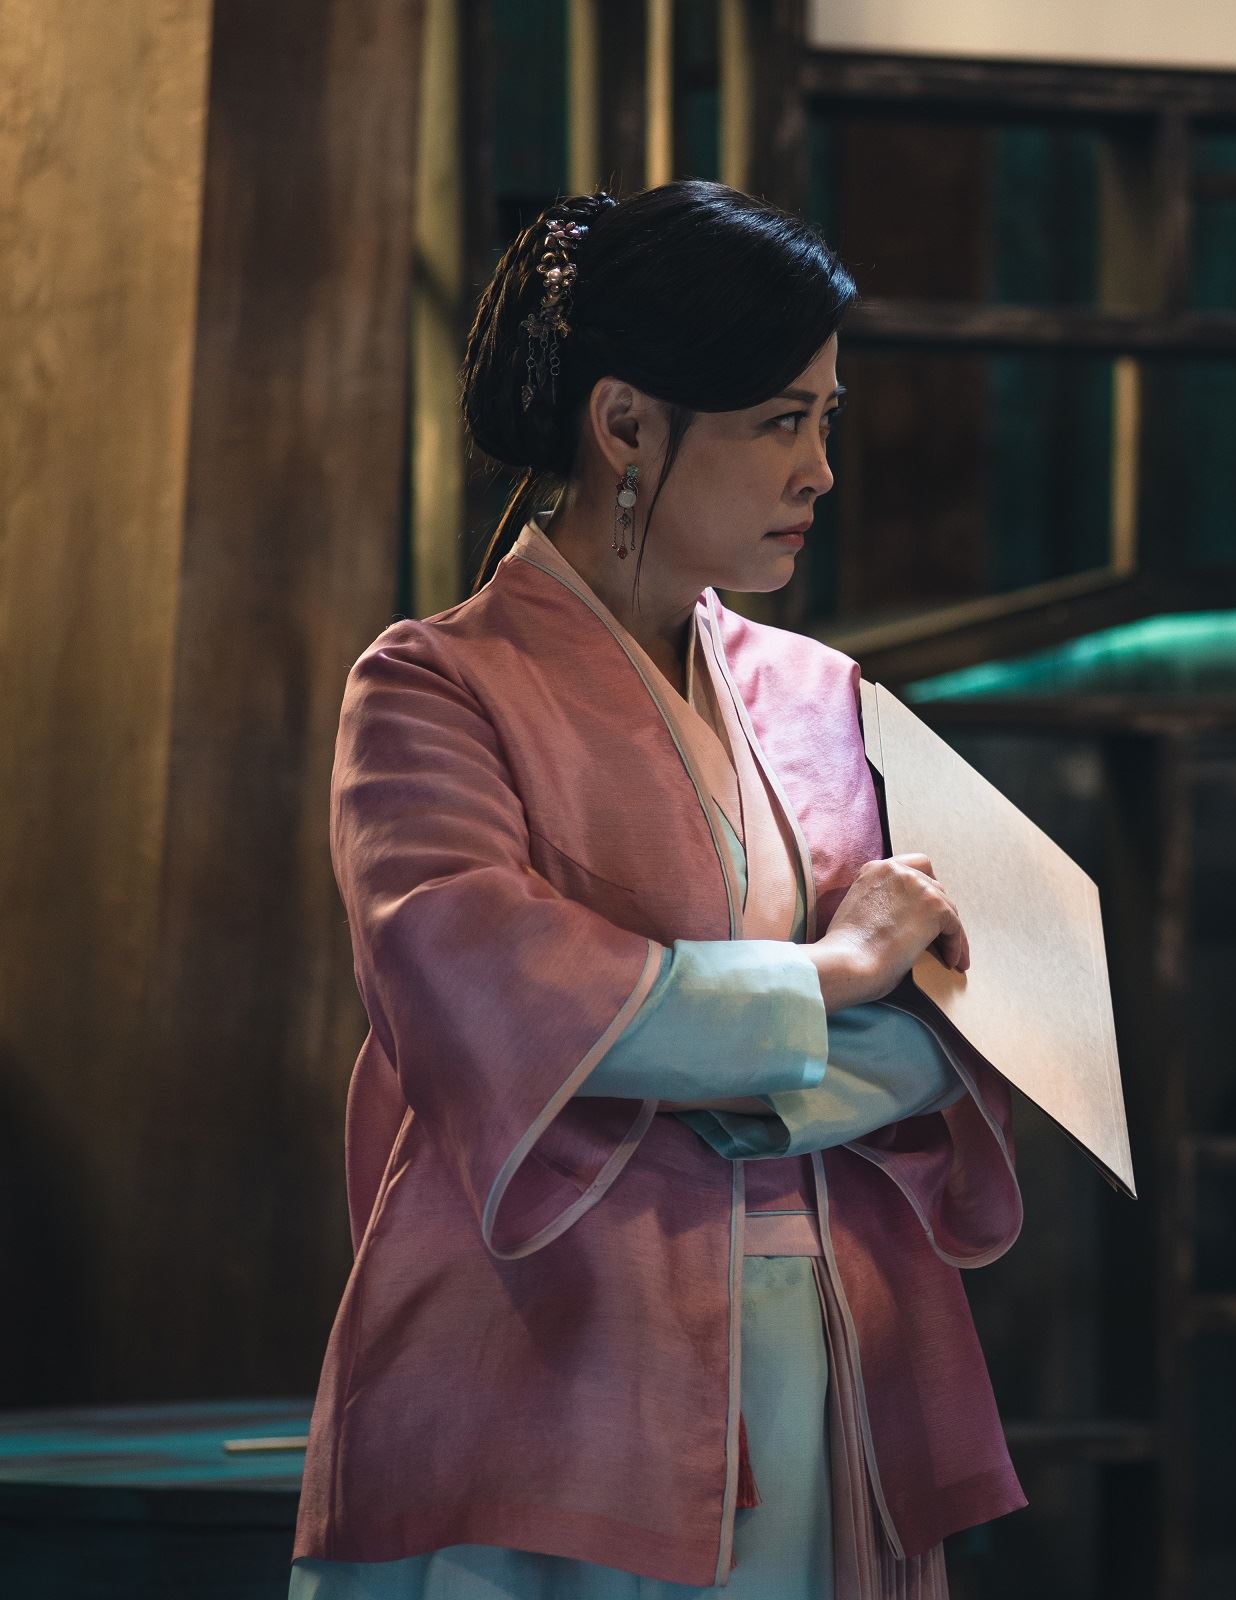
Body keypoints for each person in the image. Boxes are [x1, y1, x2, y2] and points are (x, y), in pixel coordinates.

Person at [289, 181, 1025, 1599]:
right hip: (557, 1348)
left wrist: (690, 1076)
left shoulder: (820, 695)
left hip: (829, 1339)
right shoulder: (436, 689)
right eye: (780, 422)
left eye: (827, 419)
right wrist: (830, 978)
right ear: (624, 425)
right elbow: (484, 987)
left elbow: (957, 1024)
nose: (820, 471)